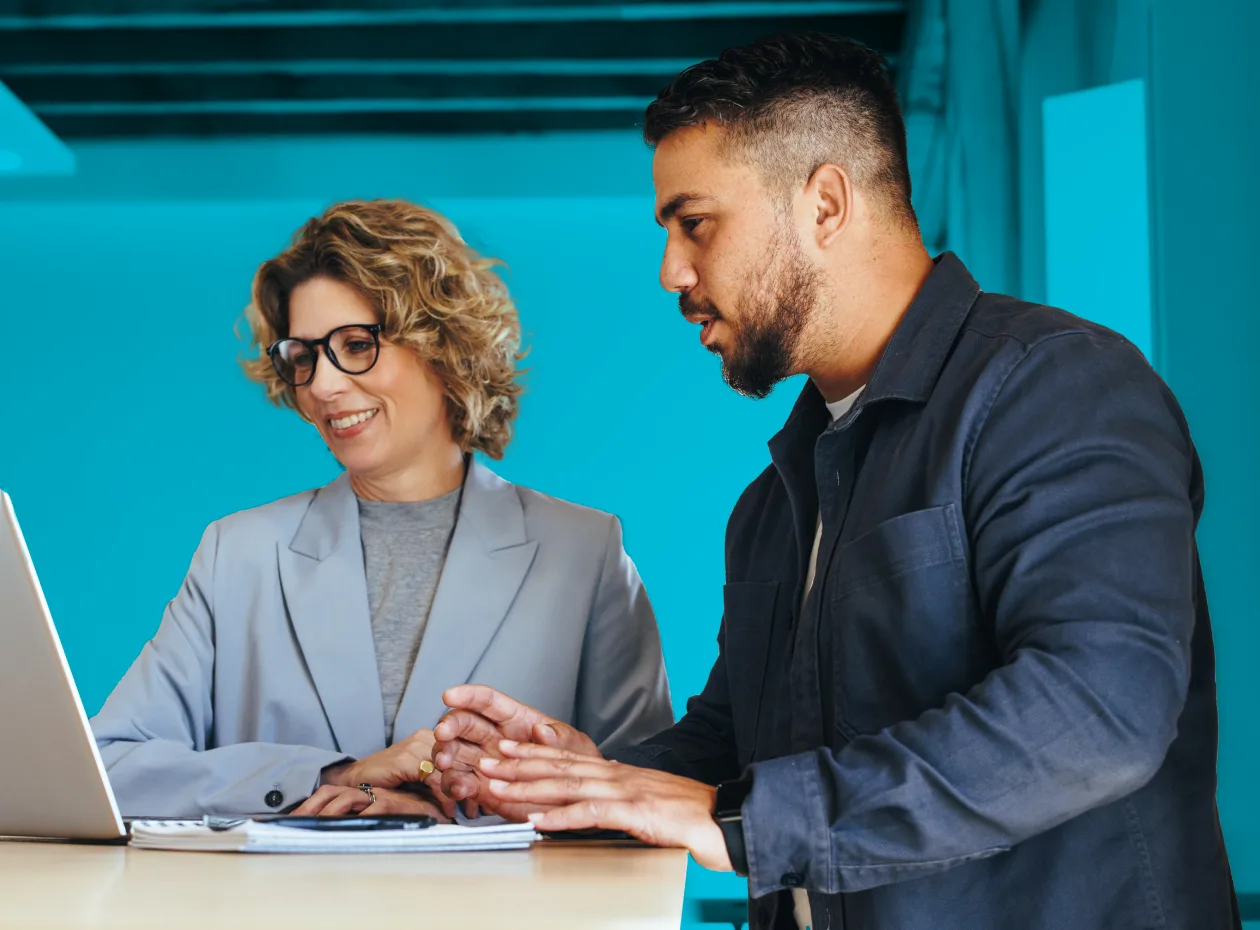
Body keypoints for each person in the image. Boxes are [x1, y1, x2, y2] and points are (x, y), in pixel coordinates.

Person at [425, 33, 1239, 930]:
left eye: (694, 223)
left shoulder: (1054, 386)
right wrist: (589, 779)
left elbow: (1099, 706)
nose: (672, 272)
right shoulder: (774, 500)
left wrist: (736, 819)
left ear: (824, 203)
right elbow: (745, 744)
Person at [89, 199, 673, 820]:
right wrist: (330, 774)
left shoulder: (583, 551)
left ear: (444, 345)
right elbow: (109, 766)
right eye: (305, 356)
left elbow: (646, 796)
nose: (322, 386)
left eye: (356, 344)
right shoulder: (238, 554)